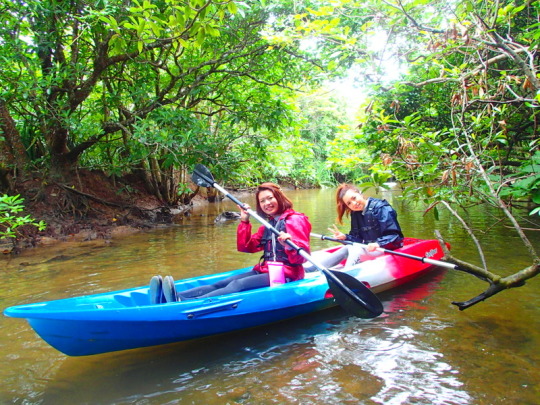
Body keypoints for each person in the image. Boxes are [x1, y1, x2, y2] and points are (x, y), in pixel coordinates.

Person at [149, 182, 312, 304]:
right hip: (266, 270)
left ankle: (182, 303)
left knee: (238, 284)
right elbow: (246, 247)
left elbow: (301, 259)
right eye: (262, 201)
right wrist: (244, 221)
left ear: (279, 198)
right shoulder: (269, 225)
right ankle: (176, 296)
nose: (266, 203)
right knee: (222, 283)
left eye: (270, 198)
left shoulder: (295, 220)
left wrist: (289, 244)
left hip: (288, 274)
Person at [306, 183, 404, 271]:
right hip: (370, 249)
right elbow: (358, 239)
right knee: (349, 247)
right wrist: (345, 237)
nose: (354, 203)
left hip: (386, 249)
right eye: (349, 203)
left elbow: (395, 235)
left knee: (355, 249)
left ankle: (346, 275)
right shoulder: (355, 214)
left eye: (354, 198)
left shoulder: (381, 208)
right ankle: (314, 269)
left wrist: (378, 243)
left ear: (359, 193)